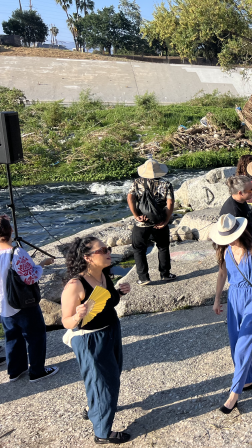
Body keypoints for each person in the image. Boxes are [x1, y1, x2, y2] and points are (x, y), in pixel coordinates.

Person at [61, 237, 132, 444]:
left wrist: (118, 292)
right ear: (88, 258)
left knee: (110, 375)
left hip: (110, 331)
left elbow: (104, 301)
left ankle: (94, 408)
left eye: (107, 248)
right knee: (102, 384)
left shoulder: (102, 275)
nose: (109, 252)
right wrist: (77, 315)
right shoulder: (75, 285)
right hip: (90, 339)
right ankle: (102, 433)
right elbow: (66, 321)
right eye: (102, 250)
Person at [211, 214, 252, 414]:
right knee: (234, 346)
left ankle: (234, 394)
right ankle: (248, 381)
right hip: (233, 300)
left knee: (243, 346)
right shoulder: (225, 250)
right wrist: (217, 299)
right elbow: (222, 274)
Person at [0, 216, 56, 382]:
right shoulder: (16, 252)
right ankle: (37, 371)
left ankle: (15, 371)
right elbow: (30, 278)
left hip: (3, 306)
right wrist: (42, 265)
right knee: (35, 336)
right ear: (11, 231)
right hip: (23, 304)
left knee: (12, 337)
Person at [127, 158, 176, 286]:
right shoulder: (166, 184)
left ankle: (143, 278)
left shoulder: (137, 182)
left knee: (139, 249)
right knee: (163, 247)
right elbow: (170, 203)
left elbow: (130, 197)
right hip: (159, 221)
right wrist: (166, 220)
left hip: (142, 222)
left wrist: (136, 215)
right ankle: (165, 274)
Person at [219, 176, 252, 252]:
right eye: (251, 190)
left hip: (244, 240)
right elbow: (237, 240)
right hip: (238, 248)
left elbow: (245, 226)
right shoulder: (233, 212)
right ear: (240, 193)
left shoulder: (241, 201)